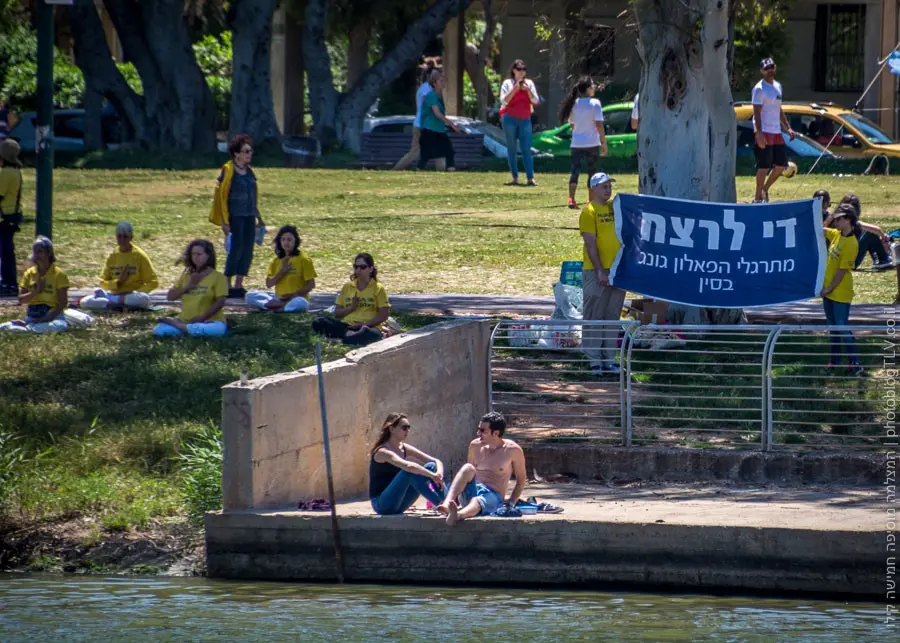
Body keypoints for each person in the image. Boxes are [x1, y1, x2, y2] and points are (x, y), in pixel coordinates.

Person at [436, 411, 526, 526]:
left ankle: (457, 516)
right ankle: (447, 504)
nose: (478, 433)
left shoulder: (513, 450)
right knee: (468, 467)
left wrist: (511, 503)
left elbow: (521, 480)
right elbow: (468, 477)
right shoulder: (475, 445)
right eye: (478, 429)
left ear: (496, 433)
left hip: (493, 497)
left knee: (478, 500)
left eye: (483, 431)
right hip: (473, 491)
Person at [209, 134, 265, 299]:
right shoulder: (228, 170)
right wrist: (224, 222)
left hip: (249, 216)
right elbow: (222, 196)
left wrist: (258, 217)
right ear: (236, 154)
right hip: (235, 216)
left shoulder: (249, 171)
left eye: (250, 151)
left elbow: (253, 195)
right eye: (246, 151)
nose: (249, 154)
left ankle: (239, 284)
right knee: (235, 249)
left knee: (247, 249)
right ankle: (227, 283)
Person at [580, 172, 624, 375]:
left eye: (610, 186)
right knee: (594, 315)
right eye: (604, 186)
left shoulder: (615, 208)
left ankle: (609, 359)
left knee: (612, 315)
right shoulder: (589, 212)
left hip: (617, 269)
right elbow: (590, 243)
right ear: (594, 189)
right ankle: (594, 360)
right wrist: (599, 271)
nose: (608, 190)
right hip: (596, 270)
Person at [369, 412, 446, 515]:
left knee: (431, 466)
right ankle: (440, 504)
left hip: (399, 503)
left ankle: (447, 501)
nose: (407, 431)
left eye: (408, 427)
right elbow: (408, 466)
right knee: (409, 471)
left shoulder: (404, 448)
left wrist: (438, 474)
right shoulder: (382, 452)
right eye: (404, 428)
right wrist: (432, 476)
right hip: (382, 504)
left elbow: (435, 461)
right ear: (392, 429)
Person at [821, 204, 864, 375]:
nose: (836, 222)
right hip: (828, 291)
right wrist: (829, 217)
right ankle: (834, 360)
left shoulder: (851, 244)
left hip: (840, 292)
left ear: (848, 220)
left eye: (839, 219)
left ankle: (855, 362)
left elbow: (841, 271)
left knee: (841, 326)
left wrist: (829, 288)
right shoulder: (836, 234)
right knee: (832, 328)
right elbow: (821, 230)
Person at [311, 252, 390, 346]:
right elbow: (337, 313)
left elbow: (383, 315)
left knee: (365, 334)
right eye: (356, 267)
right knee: (319, 322)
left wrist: (365, 324)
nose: (358, 270)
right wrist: (351, 307)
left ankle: (348, 338)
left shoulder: (378, 288)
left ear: (371, 269)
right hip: (347, 326)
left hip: (369, 326)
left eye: (363, 267)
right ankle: (348, 337)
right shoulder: (347, 287)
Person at [154, 239, 228, 337]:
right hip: (186, 321)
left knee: (216, 330)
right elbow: (170, 297)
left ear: (208, 256)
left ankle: (178, 326)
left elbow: (220, 302)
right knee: (159, 329)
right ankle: (186, 328)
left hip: (210, 322)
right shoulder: (186, 276)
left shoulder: (219, 277)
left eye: (199, 254)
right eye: (193, 254)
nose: (195, 257)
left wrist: (202, 318)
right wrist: (188, 287)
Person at [79, 222, 159, 310]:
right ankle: (114, 301)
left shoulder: (139, 255)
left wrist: (137, 292)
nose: (122, 239)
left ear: (131, 237)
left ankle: (112, 302)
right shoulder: (113, 255)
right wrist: (118, 282)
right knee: (84, 302)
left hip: (132, 295)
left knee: (144, 298)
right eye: (119, 236)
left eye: (125, 236)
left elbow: (153, 282)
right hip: (114, 294)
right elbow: (102, 283)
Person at [0, 236, 69, 333]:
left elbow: (63, 302)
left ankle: (28, 328)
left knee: (60, 326)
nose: (36, 255)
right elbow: (21, 299)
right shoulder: (29, 273)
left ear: (49, 253)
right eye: (35, 252)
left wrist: (48, 318)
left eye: (40, 251)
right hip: (33, 316)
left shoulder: (59, 274)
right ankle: (30, 327)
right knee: (3, 326)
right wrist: (35, 291)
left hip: (53, 316)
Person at [558, 76, 608, 209]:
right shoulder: (595, 103)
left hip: (576, 143)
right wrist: (603, 142)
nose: (595, 87)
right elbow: (599, 124)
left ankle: (571, 199)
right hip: (592, 143)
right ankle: (591, 200)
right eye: (592, 85)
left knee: (575, 171)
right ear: (588, 89)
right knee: (592, 172)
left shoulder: (573, 104)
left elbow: (572, 125)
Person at [752, 57, 796, 203]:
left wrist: (788, 128)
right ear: (762, 71)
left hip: (776, 131)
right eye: (766, 68)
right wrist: (759, 133)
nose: (770, 70)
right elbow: (756, 111)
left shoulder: (777, 86)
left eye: (771, 67)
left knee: (781, 165)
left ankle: (764, 190)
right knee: (764, 166)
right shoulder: (759, 88)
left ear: (775, 67)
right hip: (764, 130)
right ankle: (757, 198)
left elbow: (778, 109)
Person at [246, 225, 316, 312]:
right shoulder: (276, 260)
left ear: (296, 241)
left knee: (301, 303)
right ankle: (282, 306)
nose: (286, 242)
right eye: (283, 239)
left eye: (289, 240)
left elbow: (311, 285)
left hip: (296, 298)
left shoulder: (304, 259)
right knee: (250, 295)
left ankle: (278, 307)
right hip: (278, 298)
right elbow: (269, 284)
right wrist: (282, 271)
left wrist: (293, 295)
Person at [499, 59, 540, 186]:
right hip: (509, 118)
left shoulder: (529, 83)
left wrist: (528, 90)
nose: (522, 72)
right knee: (511, 148)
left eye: (524, 69)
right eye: (519, 69)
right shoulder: (507, 83)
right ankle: (515, 177)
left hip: (525, 118)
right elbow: (503, 101)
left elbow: (536, 100)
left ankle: (530, 178)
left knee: (526, 148)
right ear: (513, 70)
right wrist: (515, 89)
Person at [394, 58, 440, 171]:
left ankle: (443, 171)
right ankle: (396, 169)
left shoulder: (426, 88)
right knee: (416, 151)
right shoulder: (426, 89)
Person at [417, 70, 461, 171]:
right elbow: (437, 113)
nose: (443, 83)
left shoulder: (439, 96)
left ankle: (451, 170)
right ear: (434, 83)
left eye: (443, 81)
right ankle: (419, 170)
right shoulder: (431, 95)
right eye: (441, 81)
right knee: (426, 155)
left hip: (439, 129)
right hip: (429, 129)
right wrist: (452, 125)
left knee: (449, 151)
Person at [836, 194, 893, 271]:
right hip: (847, 261)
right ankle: (883, 259)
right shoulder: (850, 221)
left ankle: (879, 259)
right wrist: (883, 238)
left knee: (868, 235)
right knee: (869, 233)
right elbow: (877, 230)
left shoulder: (836, 219)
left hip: (837, 257)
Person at [0, 138, 23, 298]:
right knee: (7, 251)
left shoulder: (6, 173)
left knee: (6, 252)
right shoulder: (16, 171)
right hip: (13, 214)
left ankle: (8, 283)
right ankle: (10, 283)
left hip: (5, 216)